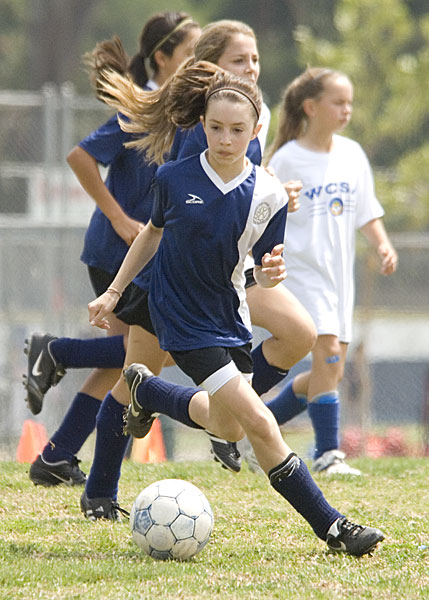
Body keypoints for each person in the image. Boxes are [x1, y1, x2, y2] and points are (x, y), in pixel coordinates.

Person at [86, 61, 384, 557]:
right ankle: (335, 528)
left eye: (237, 130)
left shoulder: (269, 193)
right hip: (180, 315)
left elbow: (261, 269)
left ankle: (148, 390)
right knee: (260, 423)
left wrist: (271, 274)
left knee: (224, 425)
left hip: (229, 317)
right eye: (216, 127)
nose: (225, 139)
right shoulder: (175, 177)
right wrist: (114, 293)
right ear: (202, 125)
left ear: (256, 129)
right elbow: (151, 235)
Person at [24, 19, 315, 483]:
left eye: (255, 58)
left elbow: (240, 188)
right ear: (210, 66)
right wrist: (120, 226)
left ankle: (222, 415)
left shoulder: (244, 116)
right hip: (171, 264)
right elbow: (188, 198)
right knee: (141, 368)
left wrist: (273, 189)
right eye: (239, 59)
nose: (251, 67)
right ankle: (97, 476)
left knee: (293, 333)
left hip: (221, 266)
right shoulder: (199, 124)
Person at [23, 12, 201, 486]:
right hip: (117, 252)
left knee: (129, 363)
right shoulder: (146, 108)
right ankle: (57, 352)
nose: (200, 63)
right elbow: (80, 156)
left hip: (144, 256)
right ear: (162, 58)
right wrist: (120, 218)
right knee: (143, 356)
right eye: (191, 54)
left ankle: (57, 455)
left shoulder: (191, 114)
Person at [262, 67, 398, 475]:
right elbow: (263, 210)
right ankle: (327, 454)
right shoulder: (287, 157)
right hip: (302, 273)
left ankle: (256, 425)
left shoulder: (352, 154)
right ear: (310, 107)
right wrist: (280, 201)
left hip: (340, 279)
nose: (346, 110)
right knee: (328, 355)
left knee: (330, 373)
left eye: (349, 103)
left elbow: (367, 210)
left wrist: (383, 244)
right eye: (338, 102)